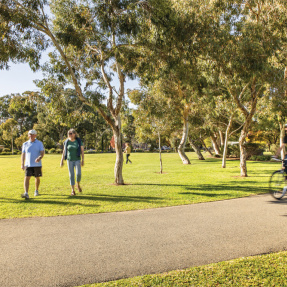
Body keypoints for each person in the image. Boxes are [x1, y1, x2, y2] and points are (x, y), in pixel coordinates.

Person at [21, 129, 45, 199]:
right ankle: (26, 193)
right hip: (28, 164)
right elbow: (23, 154)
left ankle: (36, 190)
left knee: (37, 177)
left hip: (37, 164)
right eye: (30, 134)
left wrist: (39, 157)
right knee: (27, 177)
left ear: (35, 135)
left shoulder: (39, 143)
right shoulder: (25, 144)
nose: (31, 136)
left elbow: (42, 152)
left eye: (33, 134)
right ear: (28, 135)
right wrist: (22, 164)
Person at [60, 129, 84, 196]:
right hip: (69, 160)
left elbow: (82, 151)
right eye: (69, 134)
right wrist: (62, 160)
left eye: (71, 133)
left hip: (77, 159)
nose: (70, 135)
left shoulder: (78, 141)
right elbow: (64, 151)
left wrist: (83, 160)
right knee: (71, 175)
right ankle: (73, 190)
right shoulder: (66, 142)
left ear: (74, 134)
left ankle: (78, 184)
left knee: (78, 174)